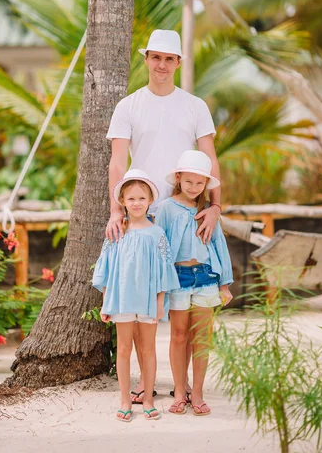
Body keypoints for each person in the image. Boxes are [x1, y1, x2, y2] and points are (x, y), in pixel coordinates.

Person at [105, 28, 222, 403]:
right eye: (155, 57)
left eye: (168, 58)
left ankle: (185, 386)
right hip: (143, 216)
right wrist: (116, 210)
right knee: (145, 304)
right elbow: (117, 162)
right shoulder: (128, 106)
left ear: (177, 63)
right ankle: (144, 382)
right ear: (146, 59)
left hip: (187, 214)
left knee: (183, 303)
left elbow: (209, 159)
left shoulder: (195, 105)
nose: (161, 64)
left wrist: (216, 205)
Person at [93, 169, 179, 423]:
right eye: (131, 199)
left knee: (148, 348)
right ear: (122, 201)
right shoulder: (117, 233)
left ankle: (149, 400)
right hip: (121, 300)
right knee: (123, 349)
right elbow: (106, 268)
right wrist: (107, 300)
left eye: (142, 198)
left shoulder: (157, 234)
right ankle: (124, 400)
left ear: (150, 200)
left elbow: (165, 271)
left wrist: (160, 302)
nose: (137, 203)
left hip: (148, 300)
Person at [156, 150, 233, 416]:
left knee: (201, 339)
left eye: (199, 183)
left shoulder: (208, 211)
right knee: (178, 336)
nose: (193, 187)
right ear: (178, 178)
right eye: (188, 182)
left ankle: (197, 393)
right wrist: (160, 284)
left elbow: (219, 245)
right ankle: (179, 391)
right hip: (178, 278)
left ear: (206, 185)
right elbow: (161, 247)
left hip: (206, 278)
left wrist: (224, 284)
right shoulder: (165, 209)